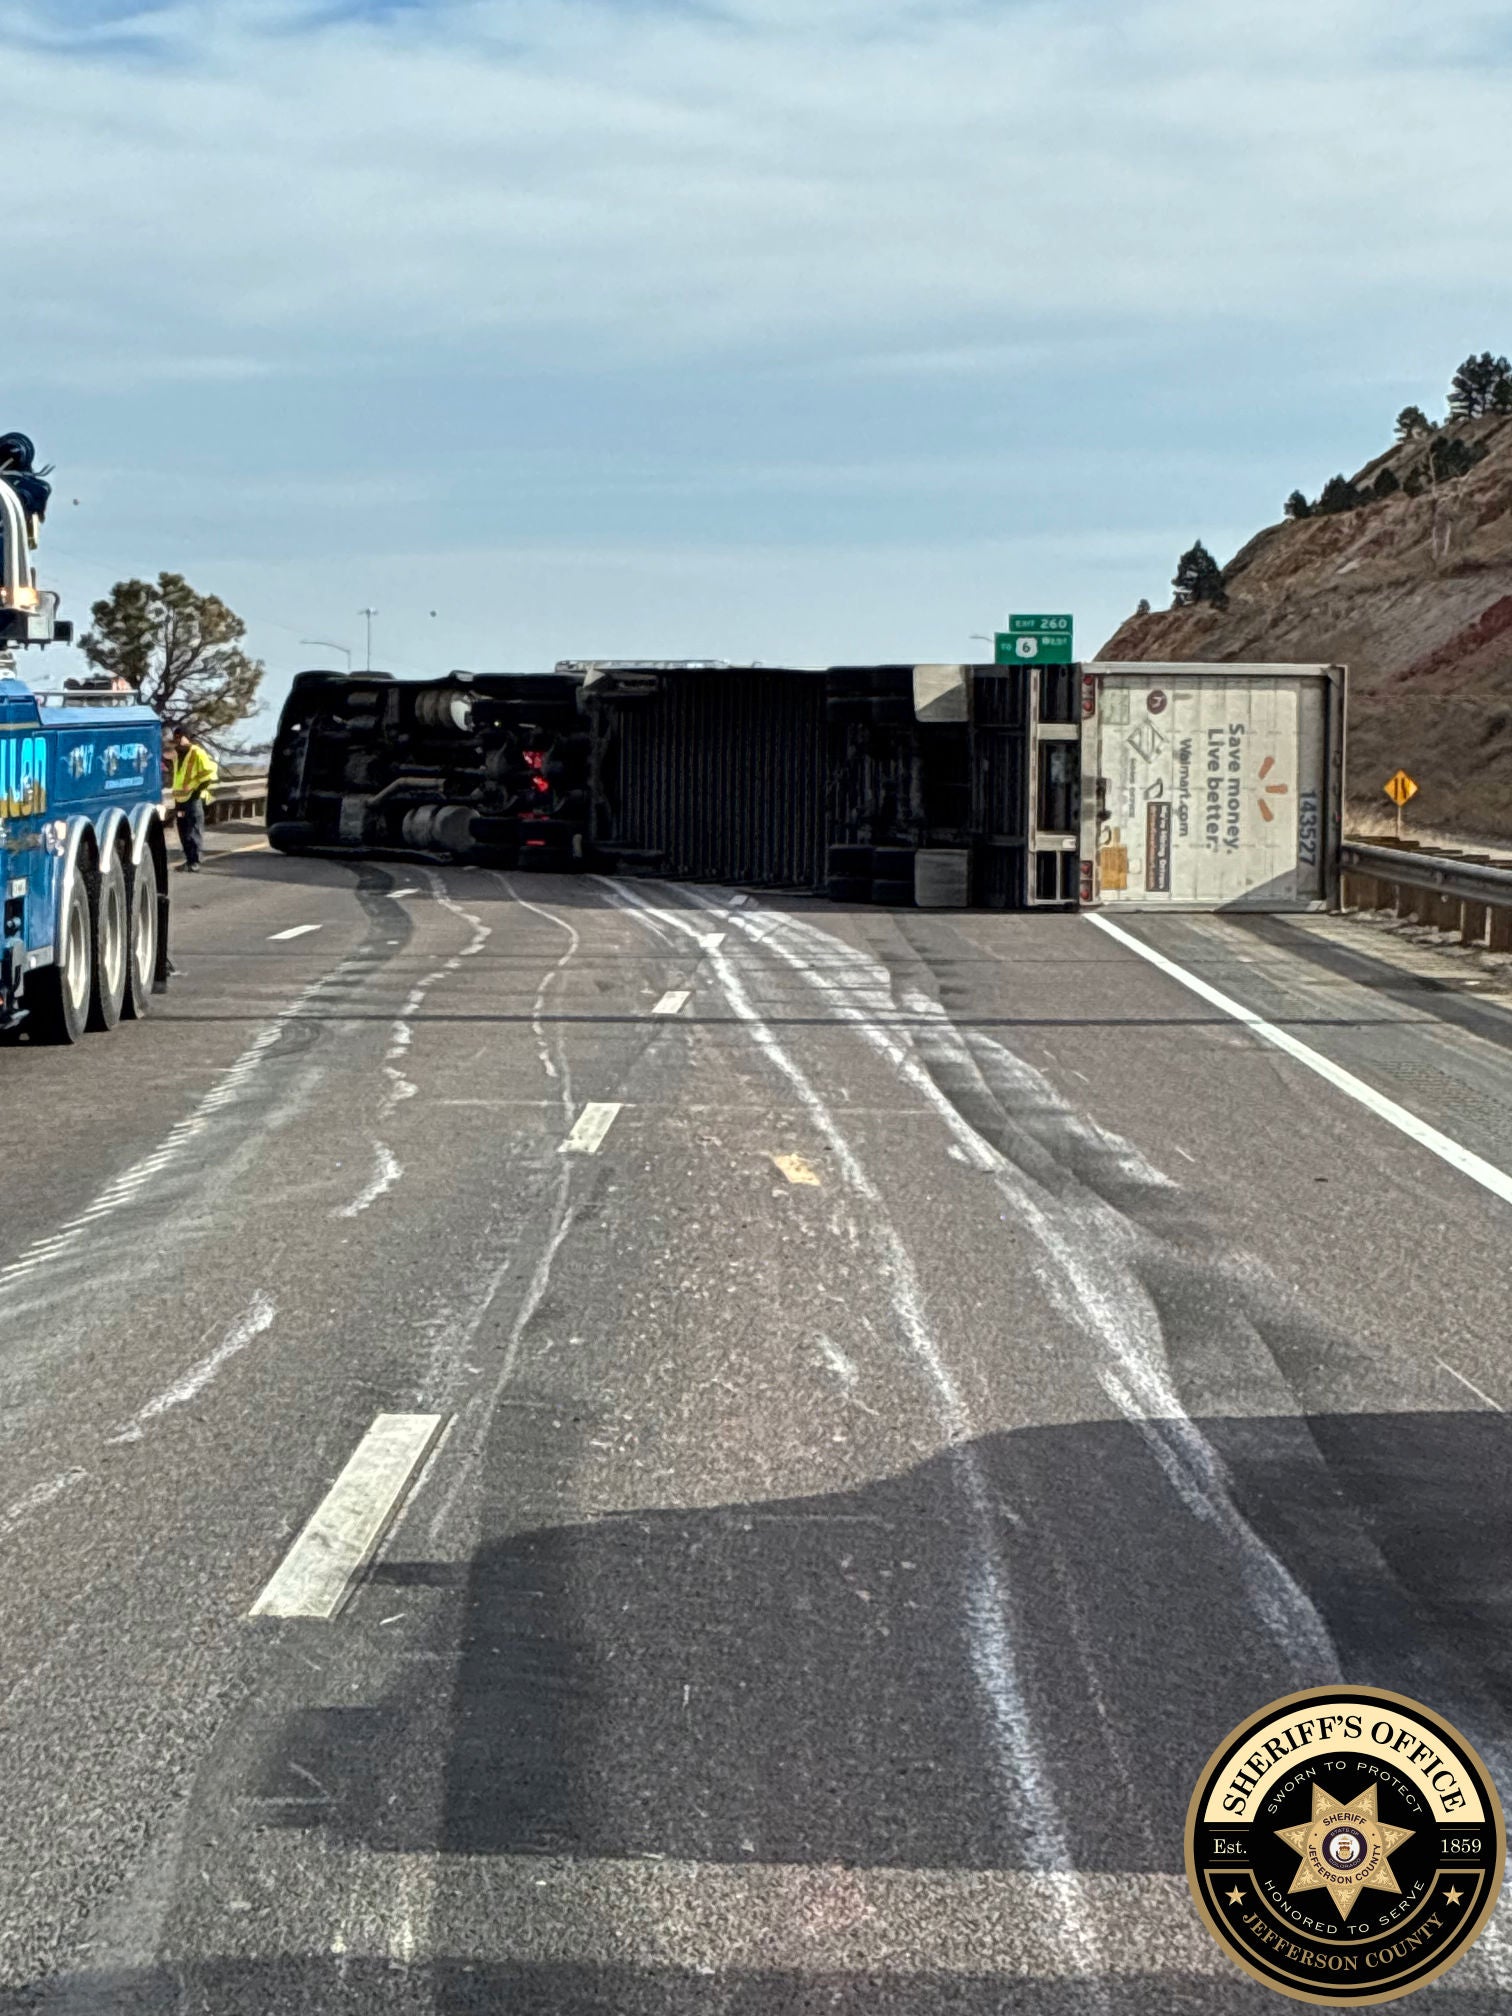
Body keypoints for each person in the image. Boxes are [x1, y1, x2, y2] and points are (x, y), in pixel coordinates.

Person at [171, 727, 219, 872]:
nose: (177, 740)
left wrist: (196, 792)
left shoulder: (198, 753)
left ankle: (195, 861)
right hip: (179, 799)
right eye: (176, 737)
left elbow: (208, 775)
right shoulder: (177, 755)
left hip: (193, 799)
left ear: (187, 737)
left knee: (194, 829)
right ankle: (189, 860)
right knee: (183, 830)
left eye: (180, 737)